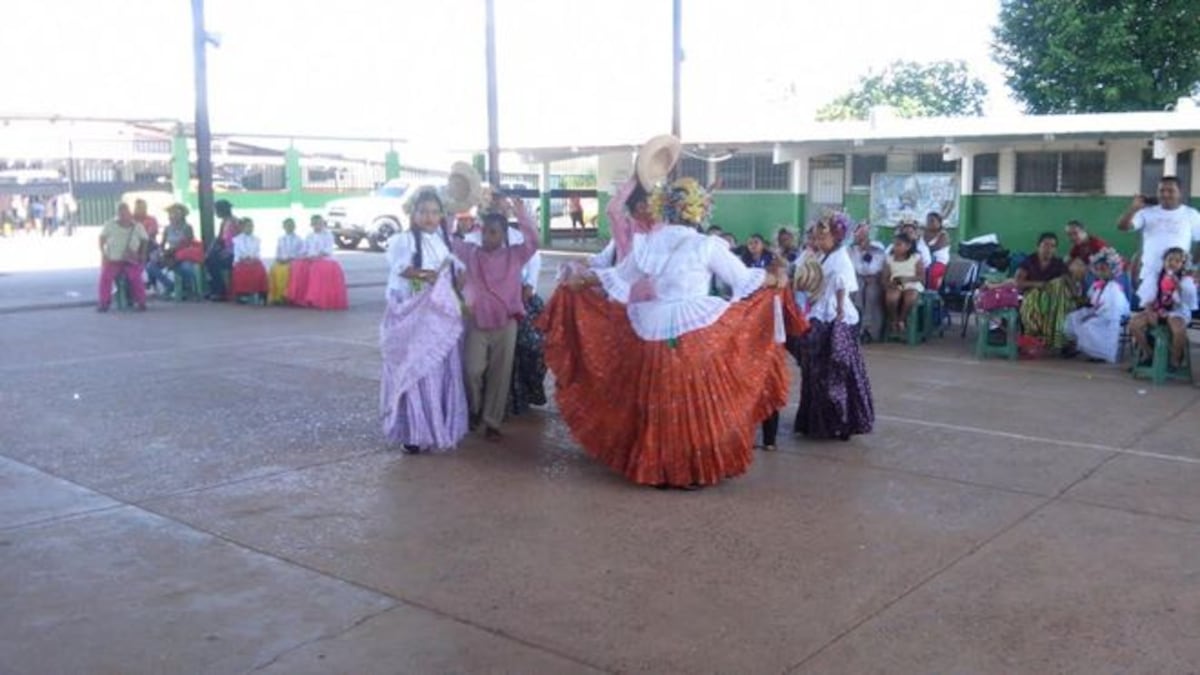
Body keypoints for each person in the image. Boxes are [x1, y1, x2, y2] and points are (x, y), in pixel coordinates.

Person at [538, 177, 794, 488]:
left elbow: (616, 276)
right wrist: (775, 280)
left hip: (650, 330)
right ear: (700, 212)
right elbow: (743, 279)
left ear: (667, 210)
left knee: (657, 403)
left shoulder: (648, 244)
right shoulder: (707, 245)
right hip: (697, 331)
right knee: (695, 403)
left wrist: (581, 280)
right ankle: (692, 468)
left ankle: (657, 469)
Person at [380, 188, 468, 453]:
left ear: (441, 215)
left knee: (438, 369)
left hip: (438, 314)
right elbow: (401, 268)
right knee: (416, 368)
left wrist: (456, 281)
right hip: (414, 312)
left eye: (434, 212)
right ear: (413, 214)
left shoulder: (444, 241)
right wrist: (425, 275)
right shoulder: (403, 240)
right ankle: (414, 432)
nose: (429, 217)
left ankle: (437, 425)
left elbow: (455, 271)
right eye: (423, 212)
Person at [450, 196, 540, 440]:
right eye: (485, 232)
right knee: (472, 370)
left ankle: (492, 422)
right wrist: (452, 209)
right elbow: (448, 240)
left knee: (500, 374)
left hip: (506, 323)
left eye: (494, 233)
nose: (488, 237)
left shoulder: (515, 255)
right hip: (476, 322)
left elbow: (534, 241)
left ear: (503, 234)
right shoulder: (471, 253)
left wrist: (523, 215)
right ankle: (474, 409)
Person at [789, 213, 874, 440]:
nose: (817, 243)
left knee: (834, 371)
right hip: (818, 314)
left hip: (834, 319)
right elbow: (799, 274)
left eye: (822, 239)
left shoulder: (840, 258)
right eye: (815, 238)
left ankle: (839, 421)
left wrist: (837, 313)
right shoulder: (818, 255)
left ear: (836, 238)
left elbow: (841, 287)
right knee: (815, 372)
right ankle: (815, 421)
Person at [1118, 176, 1200, 308]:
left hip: (1179, 277)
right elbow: (1122, 227)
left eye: (1171, 190)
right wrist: (1134, 208)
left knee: (1176, 319)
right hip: (1150, 275)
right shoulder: (1146, 213)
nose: (1165, 194)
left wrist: (1194, 267)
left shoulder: (1191, 214)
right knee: (1148, 317)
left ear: (1180, 193)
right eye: (1161, 190)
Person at [1128, 247, 1197, 370]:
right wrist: (1149, 311)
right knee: (1134, 324)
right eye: (1170, 259)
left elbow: (1187, 302)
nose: (1172, 263)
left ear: (1182, 264)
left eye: (1177, 261)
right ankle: (1148, 353)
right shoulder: (1155, 277)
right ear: (1164, 261)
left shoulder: (1185, 280)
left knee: (1178, 329)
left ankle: (1174, 360)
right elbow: (1148, 298)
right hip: (1157, 309)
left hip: (1177, 311)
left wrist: (1178, 286)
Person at [1015, 232, 1079, 352]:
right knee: (1033, 301)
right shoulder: (1029, 261)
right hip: (1032, 296)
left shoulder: (1058, 264)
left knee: (1060, 287)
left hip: (1053, 300)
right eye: (1045, 245)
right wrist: (1039, 285)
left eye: (1052, 246)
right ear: (1038, 246)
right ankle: (1034, 339)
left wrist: (1077, 297)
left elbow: (1069, 284)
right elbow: (1018, 283)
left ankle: (1059, 340)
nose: (1049, 249)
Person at [1063, 248, 1130, 363]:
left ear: (1112, 269)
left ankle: (1102, 353)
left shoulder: (1113, 288)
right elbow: (1093, 302)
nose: (1100, 272)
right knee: (1073, 317)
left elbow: (1112, 310)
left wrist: (1093, 315)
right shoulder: (1098, 284)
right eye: (1098, 269)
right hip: (1099, 311)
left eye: (1104, 269)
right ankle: (1081, 347)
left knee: (1088, 325)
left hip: (1110, 317)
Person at [590, 177, 654, 268]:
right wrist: (635, 178)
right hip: (627, 281)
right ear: (641, 207)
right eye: (651, 204)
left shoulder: (656, 227)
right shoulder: (626, 228)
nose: (654, 210)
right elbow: (612, 210)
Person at [96, 203, 149, 312]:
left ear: (130, 214)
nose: (123, 216)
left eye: (125, 213)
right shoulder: (110, 224)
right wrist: (103, 252)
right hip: (113, 260)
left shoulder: (137, 226)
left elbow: (145, 240)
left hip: (131, 260)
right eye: (121, 214)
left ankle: (141, 302)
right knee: (105, 277)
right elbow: (102, 238)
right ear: (118, 214)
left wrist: (142, 254)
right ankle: (104, 302)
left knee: (135, 277)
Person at [298, 215, 348, 310]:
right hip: (311, 258)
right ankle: (302, 297)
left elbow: (327, 249)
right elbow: (304, 249)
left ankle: (317, 298)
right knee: (298, 266)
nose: (317, 226)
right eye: (315, 223)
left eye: (319, 223)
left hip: (325, 259)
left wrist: (316, 256)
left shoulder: (328, 234)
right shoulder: (309, 236)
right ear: (311, 224)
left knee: (317, 267)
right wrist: (305, 256)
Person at [848, 223, 887, 341]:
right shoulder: (851, 249)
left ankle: (870, 331)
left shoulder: (878, 248)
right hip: (858, 278)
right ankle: (857, 329)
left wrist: (871, 277)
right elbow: (854, 267)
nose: (861, 238)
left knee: (871, 294)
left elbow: (877, 268)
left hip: (876, 279)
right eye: (859, 234)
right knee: (857, 291)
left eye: (864, 235)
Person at [883, 232, 926, 335]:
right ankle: (894, 319)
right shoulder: (889, 259)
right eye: (894, 244)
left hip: (912, 282)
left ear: (908, 246)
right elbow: (884, 278)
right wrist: (889, 284)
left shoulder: (916, 257)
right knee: (891, 298)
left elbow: (921, 277)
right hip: (896, 282)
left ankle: (902, 319)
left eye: (899, 245)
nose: (895, 247)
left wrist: (907, 279)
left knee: (910, 297)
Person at [161, 203, 202, 300]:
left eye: (176, 213)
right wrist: (162, 252)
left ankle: (189, 289)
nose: (173, 215)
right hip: (170, 255)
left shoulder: (187, 228)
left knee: (186, 268)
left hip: (183, 256)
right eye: (172, 213)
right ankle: (170, 286)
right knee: (151, 267)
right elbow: (162, 244)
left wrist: (174, 250)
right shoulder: (167, 228)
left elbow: (188, 243)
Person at [205, 199, 238, 300]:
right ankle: (216, 289)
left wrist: (215, 250)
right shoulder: (224, 221)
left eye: (216, 210)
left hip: (234, 252)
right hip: (226, 250)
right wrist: (211, 250)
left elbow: (232, 241)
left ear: (222, 210)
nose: (215, 213)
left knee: (213, 262)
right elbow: (219, 239)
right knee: (209, 260)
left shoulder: (234, 222)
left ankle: (220, 291)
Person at [230, 218, 269, 303]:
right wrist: (244, 259)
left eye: (251, 226)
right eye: (248, 226)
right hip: (241, 262)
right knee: (241, 270)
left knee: (260, 269)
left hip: (253, 261)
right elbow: (237, 253)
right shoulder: (237, 239)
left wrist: (252, 258)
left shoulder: (257, 239)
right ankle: (243, 294)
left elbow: (257, 252)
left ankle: (260, 293)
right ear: (242, 227)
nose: (250, 228)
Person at [269, 218, 305, 305]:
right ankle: (277, 296)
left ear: (295, 226)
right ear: (283, 227)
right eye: (287, 225)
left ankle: (287, 295)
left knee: (286, 271)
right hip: (282, 261)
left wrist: (291, 259)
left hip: (294, 262)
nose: (289, 227)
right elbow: (278, 251)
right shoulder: (281, 239)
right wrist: (279, 259)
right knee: (273, 269)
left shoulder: (299, 239)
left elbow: (301, 253)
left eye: (291, 225)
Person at [922, 212, 950, 290]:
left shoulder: (943, 235)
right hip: (925, 259)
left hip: (939, 261)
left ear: (939, 222)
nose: (929, 223)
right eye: (927, 221)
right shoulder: (924, 233)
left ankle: (932, 293)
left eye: (932, 221)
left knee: (932, 273)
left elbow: (934, 248)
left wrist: (923, 248)